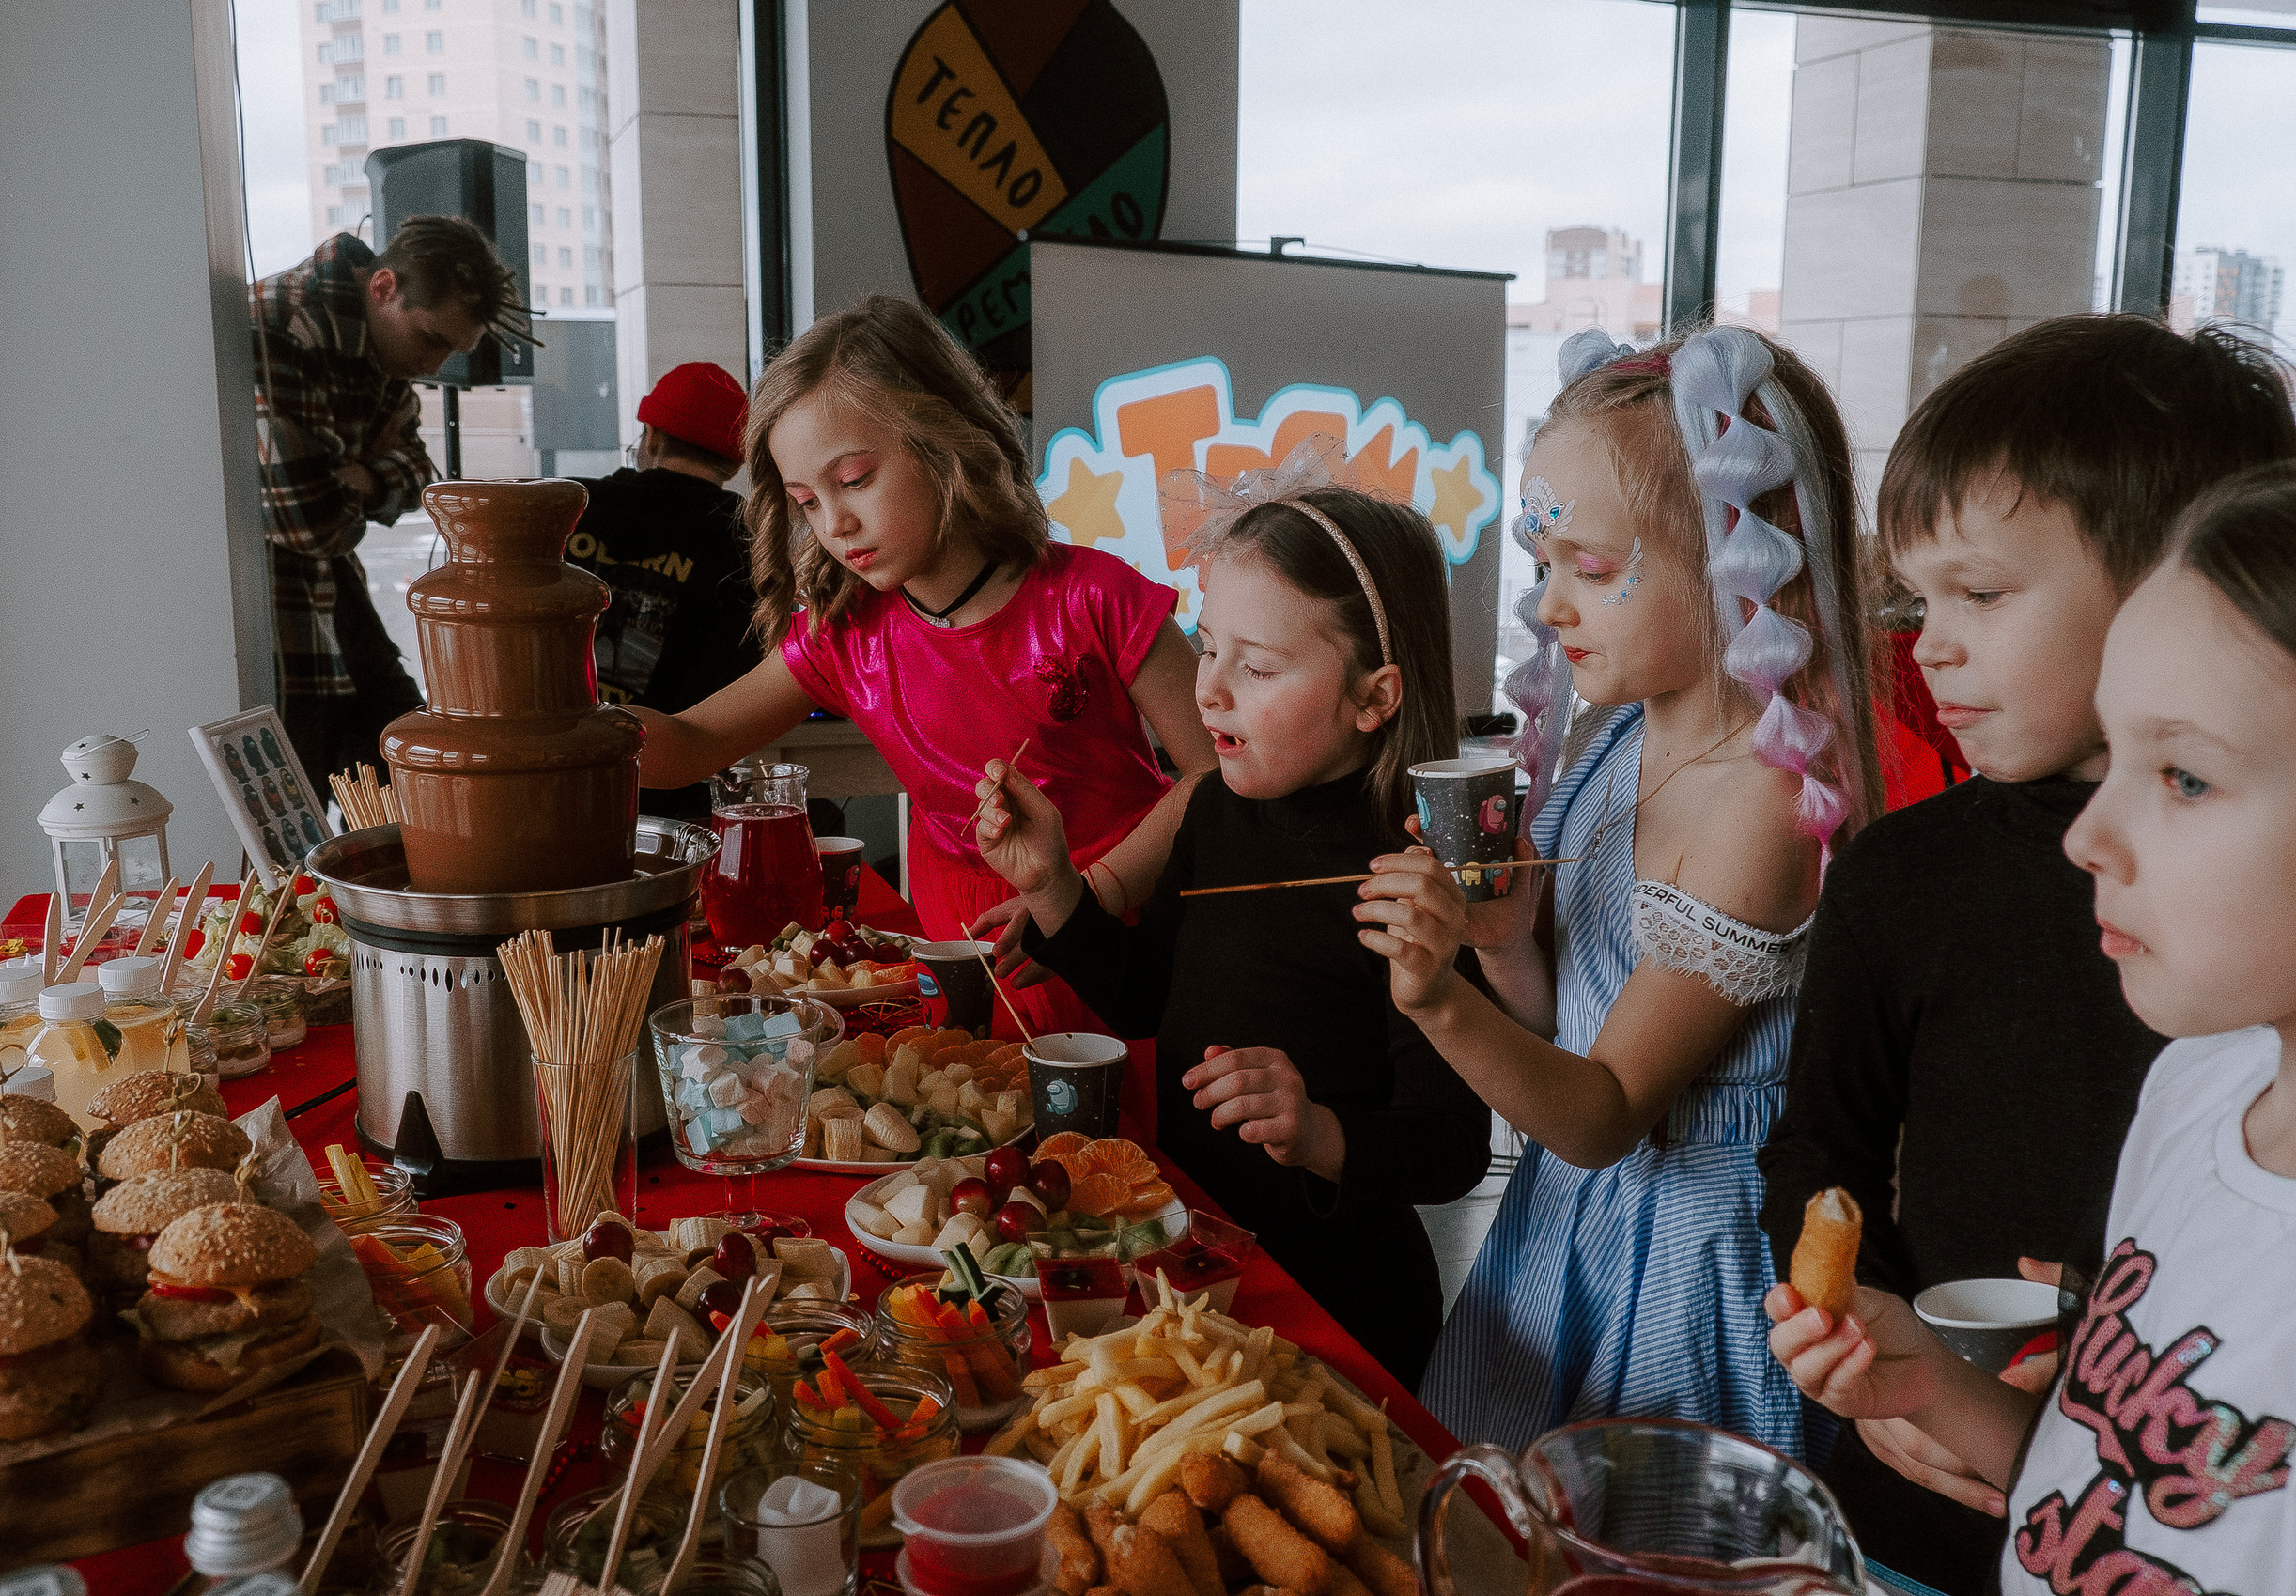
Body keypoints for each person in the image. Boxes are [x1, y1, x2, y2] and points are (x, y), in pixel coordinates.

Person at [1752, 317, 2296, 1592]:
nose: (1927, 644)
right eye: (1916, 596)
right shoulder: (1906, 871)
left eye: (1982, 593)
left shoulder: (2230, 1012)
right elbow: (1820, 1144)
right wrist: (1903, 1383)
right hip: (1942, 1486)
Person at [1361, 324, 1881, 1454]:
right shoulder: (1615, 738)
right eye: (1544, 567)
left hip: (1681, 1273)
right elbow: (1568, 1039)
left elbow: (1599, 1114)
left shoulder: (1760, 804)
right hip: (1568, 1229)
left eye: (1591, 571)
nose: (1550, 607)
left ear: (1744, 559)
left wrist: (1438, 1003)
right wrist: (1502, 946)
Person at [967, 474, 1496, 1388]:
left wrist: (1321, 1132)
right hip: (1200, 1272)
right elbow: (1142, 995)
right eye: (1206, 649)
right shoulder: (1212, 810)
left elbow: (1454, 1148)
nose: (1207, 690)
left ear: (1374, 698)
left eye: (1255, 667)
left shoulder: (1410, 871)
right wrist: (1053, 885)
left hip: (1341, 1312)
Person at [631, 296, 1217, 1072]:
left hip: (1117, 933)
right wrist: (567, 732)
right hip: (960, 953)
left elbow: (1216, 772)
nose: (833, 523)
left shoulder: (1095, 597)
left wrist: (1088, 897)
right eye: (807, 502)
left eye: (854, 480)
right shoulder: (846, 632)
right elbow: (692, 742)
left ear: (946, 440)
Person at [253, 214, 532, 787]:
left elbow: (416, 472)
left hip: (330, 597)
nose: (434, 366)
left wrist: (360, 476)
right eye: (430, 339)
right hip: (274, 610)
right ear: (383, 288)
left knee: (413, 776)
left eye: (451, 350)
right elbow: (311, 521)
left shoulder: (378, 344)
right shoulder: (283, 321)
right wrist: (365, 472)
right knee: (296, 837)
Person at [565, 361, 765, 825]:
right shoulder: (747, 538)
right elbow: (748, 670)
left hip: (554, 776)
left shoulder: (574, 506)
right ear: (734, 461)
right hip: (676, 802)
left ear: (650, 436)